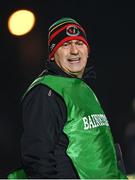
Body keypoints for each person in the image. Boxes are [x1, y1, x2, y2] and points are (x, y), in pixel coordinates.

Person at [20, 17, 127, 179]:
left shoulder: (84, 90)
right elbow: (38, 159)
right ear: (52, 54)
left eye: (79, 43)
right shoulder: (45, 91)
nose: (74, 50)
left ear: (87, 50)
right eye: (65, 44)